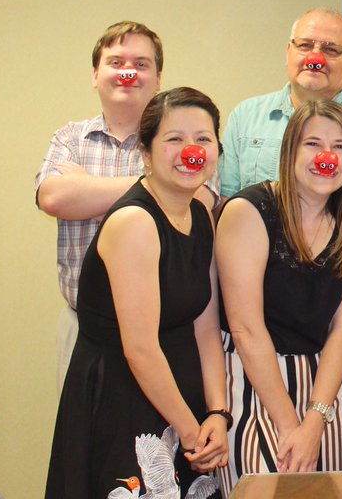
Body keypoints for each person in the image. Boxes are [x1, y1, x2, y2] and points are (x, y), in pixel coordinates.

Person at [45, 88, 229, 499]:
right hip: (122, 397)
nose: (191, 150)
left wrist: (218, 412)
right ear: (145, 153)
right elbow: (140, 349)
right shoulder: (134, 222)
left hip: (182, 399)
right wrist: (190, 433)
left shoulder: (200, 213)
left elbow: (206, 325)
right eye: (174, 139)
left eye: (203, 139)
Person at [214, 100, 342, 491]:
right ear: (290, 151)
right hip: (255, 378)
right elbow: (246, 329)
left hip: (329, 381)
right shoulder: (249, 210)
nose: (327, 157)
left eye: (340, 147)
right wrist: (292, 427)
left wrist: (316, 420)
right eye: (313, 144)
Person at [35, 22, 206, 392]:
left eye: (141, 64)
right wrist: (161, 185)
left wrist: (89, 191)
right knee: (88, 441)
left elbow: (202, 202)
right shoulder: (69, 138)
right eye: (116, 62)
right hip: (86, 330)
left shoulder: (184, 137)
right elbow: (54, 198)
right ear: (96, 75)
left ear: (158, 78)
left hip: (168, 332)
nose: (128, 71)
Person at [219, 8, 342, 198]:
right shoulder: (246, 116)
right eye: (305, 46)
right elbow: (227, 199)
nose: (315, 59)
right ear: (288, 52)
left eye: (330, 49)